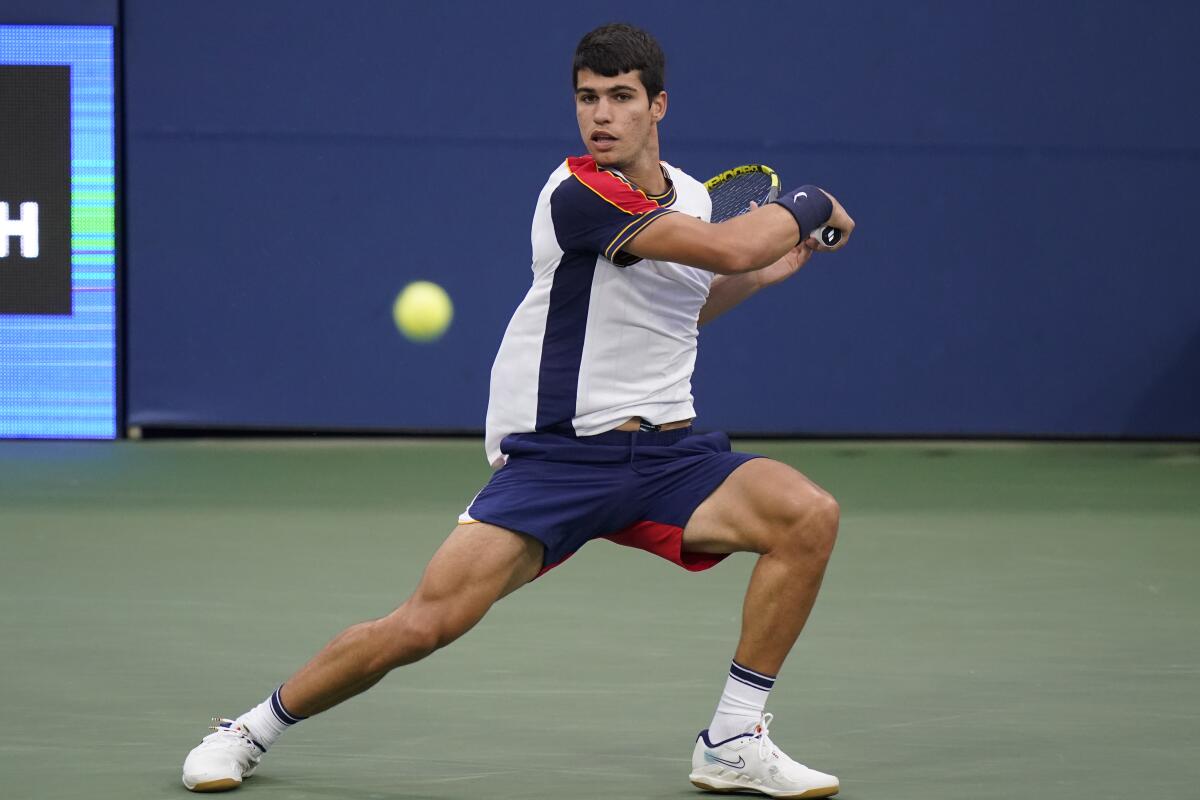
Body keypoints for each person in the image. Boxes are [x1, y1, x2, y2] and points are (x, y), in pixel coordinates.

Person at [182, 22, 855, 798]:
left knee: (807, 516)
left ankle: (734, 738)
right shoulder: (580, 193)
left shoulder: (694, 196)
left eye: (620, 98)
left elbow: (684, 306)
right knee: (425, 624)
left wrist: (766, 278)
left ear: (657, 105)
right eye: (586, 98)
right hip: (559, 461)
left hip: (671, 457)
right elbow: (736, 248)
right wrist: (812, 204)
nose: (600, 116)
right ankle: (249, 730)